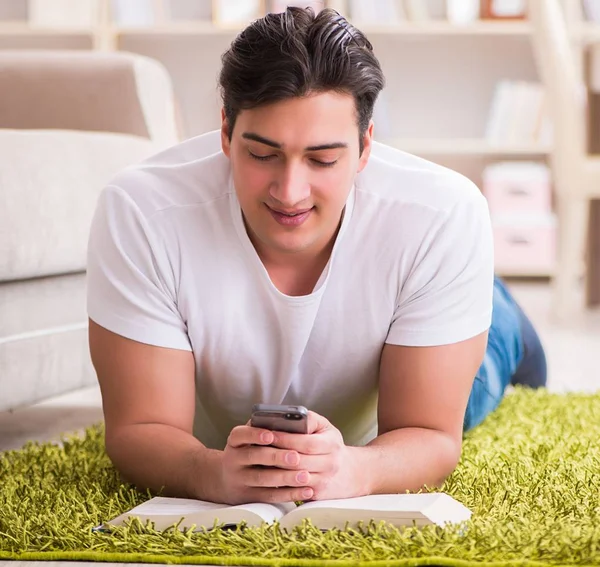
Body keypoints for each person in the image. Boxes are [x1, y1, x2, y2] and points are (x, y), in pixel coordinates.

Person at [86, 7, 546, 507]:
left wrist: (357, 467)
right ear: (224, 132)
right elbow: (139, 428)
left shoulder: (442, 214)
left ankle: (491, 302)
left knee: (486, 380)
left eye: (323, 160)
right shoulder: (142, 211)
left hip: (415, 336)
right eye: (262, 154)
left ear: (365, 147)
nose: (290, 192)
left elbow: (430, 434)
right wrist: (209, 472)